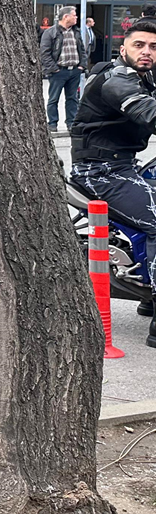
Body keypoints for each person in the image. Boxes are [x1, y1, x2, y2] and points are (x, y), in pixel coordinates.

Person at [70, 17, 156, 343]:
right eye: (139, 45)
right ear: (124, 49)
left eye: (153, 47)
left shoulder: (142, 76)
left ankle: (145, 292)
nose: (146, 51)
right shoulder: (116, 80)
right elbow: (147, 111)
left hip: (123, 168)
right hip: (99, 172)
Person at [40, 6, 87, 132]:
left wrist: (82, 65)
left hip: (74, 71)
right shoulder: (50, 32)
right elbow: (44, 53)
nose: (76, 17)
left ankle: (71, 123)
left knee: (72, 98)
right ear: (66, 16)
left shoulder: (76, 32)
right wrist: (54, 69)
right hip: (58, 72)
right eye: (74, 15)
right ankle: (52, 124)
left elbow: (82, 50)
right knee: (54, 98)